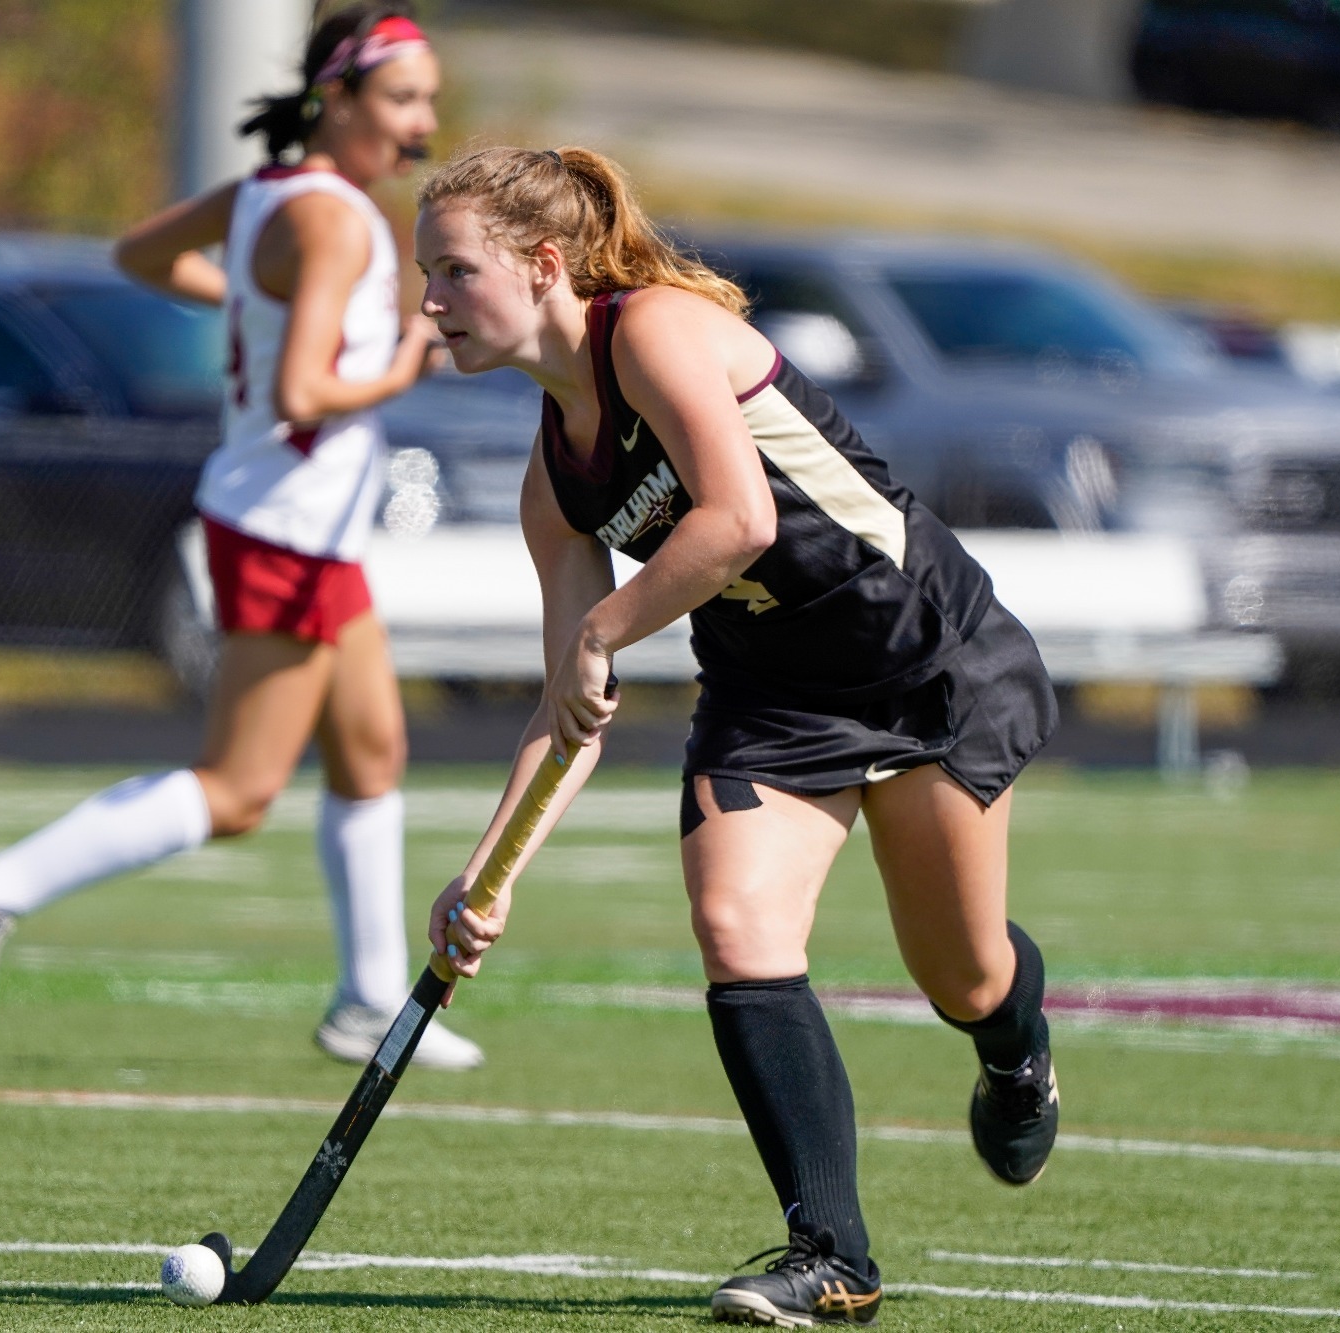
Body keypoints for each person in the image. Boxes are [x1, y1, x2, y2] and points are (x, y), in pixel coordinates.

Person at [414, 145, 1062, 1325]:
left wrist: (606, 627)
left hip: (922, 659)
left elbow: (740, 517)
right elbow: (570, 704)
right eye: (427, 276)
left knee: (959, 974)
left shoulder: (652, 331)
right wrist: (484, 874)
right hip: (771, 699)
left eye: (453, 272)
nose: (430, 302)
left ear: (544, 264)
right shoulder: (550, 483)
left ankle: (1016, 1046)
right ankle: (832, 1253)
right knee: (733, 920)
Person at [0, 3, 485, 1072]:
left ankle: (368, 999)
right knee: (238, 789)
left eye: (429, 101)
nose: (422, 123)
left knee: (372, 750)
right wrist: (402, 367)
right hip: (286, 530)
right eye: (404, 99)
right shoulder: (336, 221)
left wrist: (246, 306)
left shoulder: (272, 194)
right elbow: (307, 389)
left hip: (298, 527)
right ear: (337, 100)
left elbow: (140, 255)